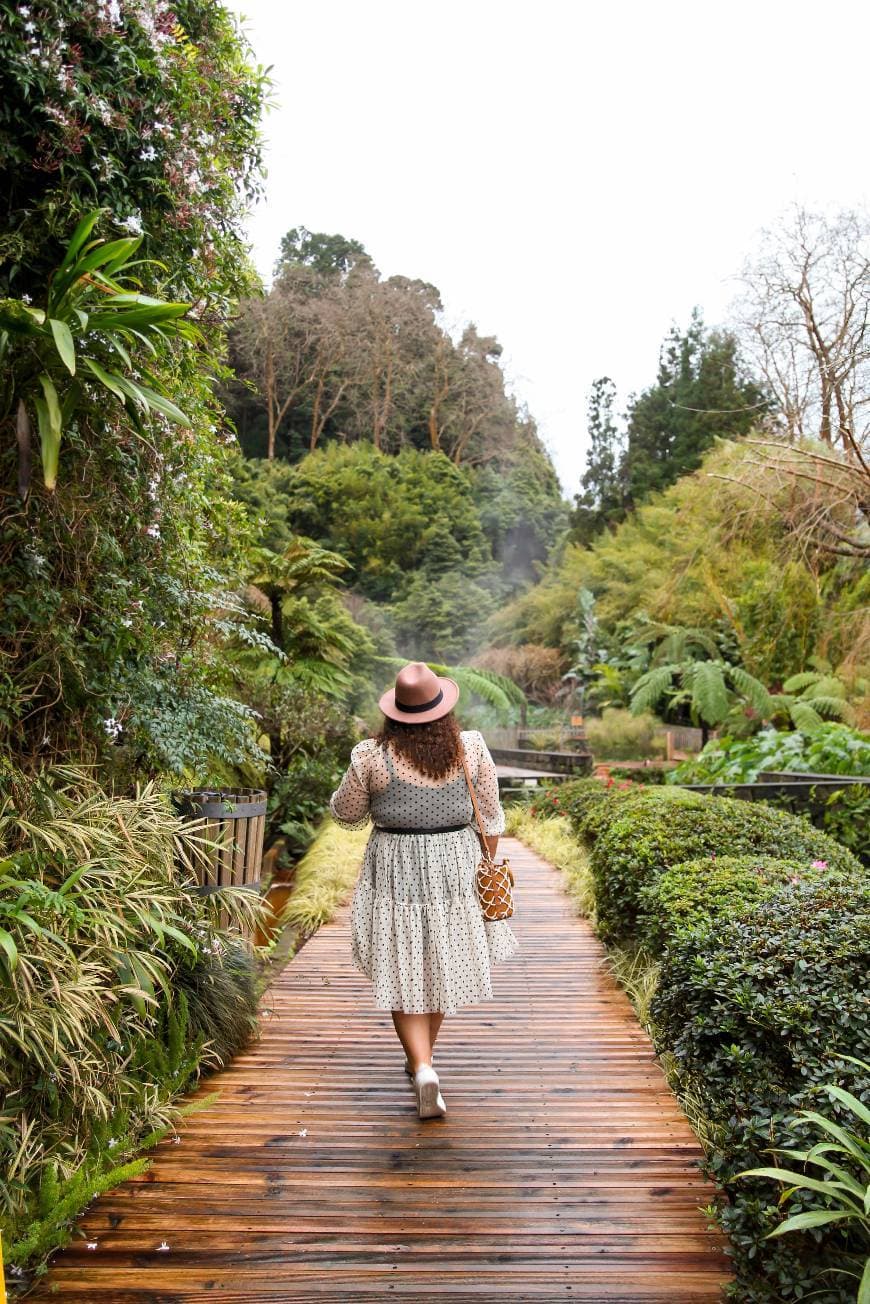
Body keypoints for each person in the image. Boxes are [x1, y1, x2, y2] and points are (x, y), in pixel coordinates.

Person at [328, 661, 519, 1119]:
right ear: (443, 708)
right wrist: (485, 857)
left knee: (403, 962)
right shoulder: (468, 747)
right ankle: (423, 1064)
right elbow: (490, 815)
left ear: (395, 712)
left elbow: (346, 814)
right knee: (441, 960)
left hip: (394, 866)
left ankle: (423, 1066)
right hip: (454, 863)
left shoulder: (370, 756)